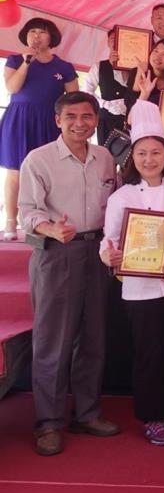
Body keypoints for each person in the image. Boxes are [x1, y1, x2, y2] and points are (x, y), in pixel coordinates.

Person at [18, 91, 119, 456]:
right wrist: (49, 228)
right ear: (57, 120)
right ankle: (48, 422)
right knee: (53, 341)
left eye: (87, 116)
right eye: (71, 117)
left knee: (93, 337)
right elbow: (27, 211)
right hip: (57, 253)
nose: (80, 123)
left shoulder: (105, 157)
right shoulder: (39, 159)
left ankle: (87, 413)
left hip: (97, 252)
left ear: (96, 120)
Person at [99, 100, 164, 447]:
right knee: (149, 354)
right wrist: (109, 255)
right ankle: (153, 417)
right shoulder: (122, 196)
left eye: (156, 152)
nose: (149, 159)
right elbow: (109, 240)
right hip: (140, 289)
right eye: (142, 153)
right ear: (133, 156)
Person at [2, 18, 80, 240]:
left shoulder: (64, 67)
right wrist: (27, 62)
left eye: (42, 32)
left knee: (47, 172)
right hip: (20, 120)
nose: (36, 36)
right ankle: (11, 222)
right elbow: (12, 87)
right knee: (16, 171)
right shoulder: (16, 60)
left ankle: (45, 222)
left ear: (51, 37)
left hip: (49, 121)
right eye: (32, 31)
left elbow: (74, 100)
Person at [82, 29, 130, 144]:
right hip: (106, 119)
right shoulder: (99, 66)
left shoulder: (135, 66)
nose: (117, 42)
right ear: (108, 42)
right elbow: (87, 91)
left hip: (130, 118)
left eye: (121, 39)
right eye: (113, 39)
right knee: (105, 151)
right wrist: (105, 104)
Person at [128, 39, 164, 107]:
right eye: (156, 51)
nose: (157, 57)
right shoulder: (137, 72)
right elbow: (130, 106)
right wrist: (139, 74)